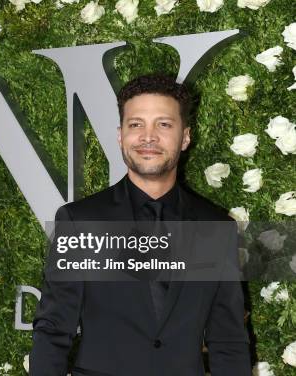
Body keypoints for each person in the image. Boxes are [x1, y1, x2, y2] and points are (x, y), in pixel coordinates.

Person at [30, 73, 251, 376]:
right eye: (136, 124)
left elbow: (229, 340)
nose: (149, 137)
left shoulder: (215, 226)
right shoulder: (80, 221)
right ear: (121, 135)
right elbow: (53, 330)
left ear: (185, 137)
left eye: (164, 124)